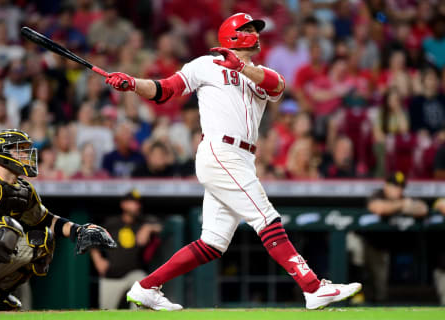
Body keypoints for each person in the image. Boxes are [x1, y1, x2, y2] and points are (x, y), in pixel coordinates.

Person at [105, 12, 361, 310]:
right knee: (265, 218)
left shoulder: (258, 72)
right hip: (220, 151)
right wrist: (132, 83)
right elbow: (165, 90)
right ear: (234, 34)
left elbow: (277, 85)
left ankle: (147, 287)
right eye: (249, 28)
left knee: (213, 243)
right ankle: (313, 287)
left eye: (256, 28)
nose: (256, 33)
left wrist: (240, 66)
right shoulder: (205, 64)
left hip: (242, 156)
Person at [0, 129, 116, 312]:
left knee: (42, 240)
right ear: (0, 153)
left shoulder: (23, 190)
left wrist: (78, 230)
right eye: (18, 149)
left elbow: (46, 220)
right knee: (6, 232)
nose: (25, 154)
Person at [90, 190, 162, 309]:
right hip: (112, 275)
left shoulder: (143, 222)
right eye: (132, 202)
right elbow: (92, 239)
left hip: (133, 272)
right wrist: (98, 260)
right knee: (106, 311)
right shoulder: (112, 223)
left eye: (138, 203)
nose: (136, 206)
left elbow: (163, 227)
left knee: (143, 281)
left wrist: (149, 228)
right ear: (123, 204)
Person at [363, 171, 428, 303]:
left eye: (400, 187)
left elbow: (423, 209)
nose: (398, 190)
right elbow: (378, 208)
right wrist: (401, 205)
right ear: (386, 186)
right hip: (376, 246)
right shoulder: (378, 194)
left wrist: (403, 204)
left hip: (395, 247)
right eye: (394, 186)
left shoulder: (404, 198)